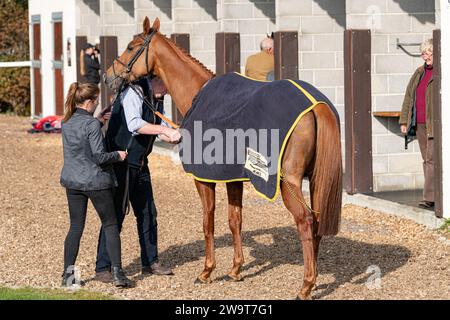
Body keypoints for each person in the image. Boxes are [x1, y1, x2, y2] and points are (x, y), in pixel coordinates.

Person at [94, 76, 181, 283]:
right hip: (120, 163)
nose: (168, 92)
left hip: (141, 162)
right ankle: (103, 267)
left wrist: (173, 135)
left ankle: (150, 262)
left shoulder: (156, 96)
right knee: (115, 215)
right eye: (167, 86)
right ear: (158, 79)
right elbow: (134, 124)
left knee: (148, 213)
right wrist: (164, 130)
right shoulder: (134, 92)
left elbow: (159, 124)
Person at [60, 82, 131, 288]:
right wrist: (118, 155)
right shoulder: (90, 124)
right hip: (95, 182)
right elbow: (99, 157)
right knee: (110, 225)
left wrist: (98, 121)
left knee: (75, 227)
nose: (97, 105)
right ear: (89, 102)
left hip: (72, 182)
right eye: (96, 102)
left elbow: (81, 142)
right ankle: (118, 274)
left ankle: (68, 277)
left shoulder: (67, 121)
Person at [399, 38, 435, 210]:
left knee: (431, 159)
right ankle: (432, 196)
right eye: (423, 53)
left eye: (429, 52)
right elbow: (408, 97)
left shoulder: (441, 73)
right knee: (426, 159)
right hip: (420, 123)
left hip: (435, 124)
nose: (425, 56)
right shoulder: (419, 72)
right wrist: (404, 120)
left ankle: (430, 198)